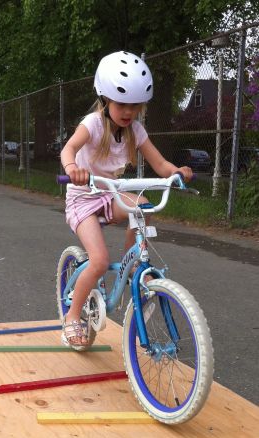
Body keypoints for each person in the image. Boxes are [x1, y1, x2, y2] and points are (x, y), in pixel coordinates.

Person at [60, 50, 193, 349]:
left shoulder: (135, 130)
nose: (129, 111)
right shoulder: (93, 124)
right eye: (122, 104)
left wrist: (176, 172)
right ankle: (71, 316)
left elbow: (160, 165)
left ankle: (132, 264)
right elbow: (68, 149)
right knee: (98, 260)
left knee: (142, 204)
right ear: (106, 98)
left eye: (136, 105)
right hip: (83, 199)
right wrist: (73, 169)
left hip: (109, 194)